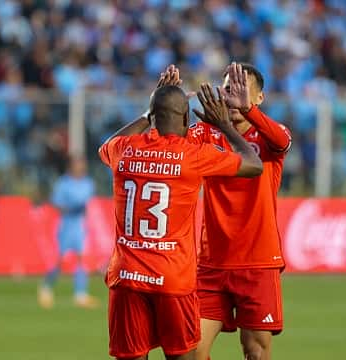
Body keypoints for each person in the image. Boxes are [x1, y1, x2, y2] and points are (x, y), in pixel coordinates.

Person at [98, 65, 263, 360]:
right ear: (186, 118)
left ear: (153, 116)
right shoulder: (191, 156)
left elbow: (105, 146)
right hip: (173, 279)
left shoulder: (124, 150)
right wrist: (224, 124)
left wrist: (149, 113)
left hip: (127, 277)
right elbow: (253, 164)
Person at [189, 62, 292, 360]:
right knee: (192, 351)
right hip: (212, 262)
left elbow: (283, 142)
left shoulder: (270, 136)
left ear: (259, 98)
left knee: (255, 351)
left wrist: (247, 112)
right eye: (229, 89)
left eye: (242, 91)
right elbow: (173, 140)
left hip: (258, 262)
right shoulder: (206, 134)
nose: (234, 97)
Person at [38, 156, 98, 309]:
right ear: (71, 167)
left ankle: (80, 294)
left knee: (81, 259)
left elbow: (87, 202)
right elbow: (56, 203)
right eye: (78, 164)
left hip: (79, 225)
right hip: (66, 224)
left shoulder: (88, 183)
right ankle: (46, 286)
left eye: (83, 164)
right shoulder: (63, 183)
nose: (81, 168)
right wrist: (71, 207)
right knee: (60, 259)